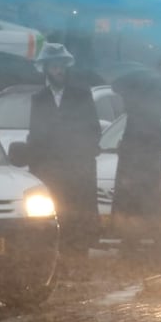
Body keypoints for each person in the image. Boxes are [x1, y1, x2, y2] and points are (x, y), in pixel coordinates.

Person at [25, 43, 101, 263]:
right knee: (54, 213)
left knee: (79, 213)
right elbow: (35, 134)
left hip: (78, 168)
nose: (58, 71)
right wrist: (36, 165)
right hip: (50, 170)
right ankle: (57, 261)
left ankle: (79, 259)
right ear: (46, 69)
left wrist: (83, 152)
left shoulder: (81, 94)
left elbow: (93, 128)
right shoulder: (38, 99)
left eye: (61, 66)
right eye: (53, 67)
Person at [110, 66, 161, 262]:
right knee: (144, 207)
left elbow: (143, 146)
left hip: (139, 173)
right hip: (140, 173)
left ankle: (147, 245)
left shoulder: (142, 116)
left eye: (125, 96)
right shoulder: (142, 114)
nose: (122, 100)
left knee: (142, 207)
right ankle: (146, 244)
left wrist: (125, 150)